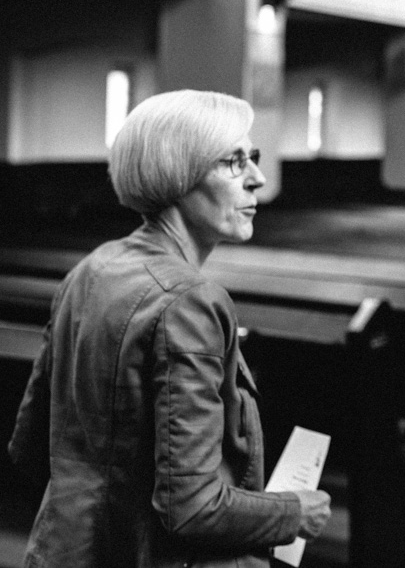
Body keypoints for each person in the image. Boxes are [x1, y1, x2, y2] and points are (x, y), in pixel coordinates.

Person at [8, 90, 331, 567]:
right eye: (233, 161)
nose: (258, 179)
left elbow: (30, 447)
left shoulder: (93, 269)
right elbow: (194, 508)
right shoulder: (190, 301)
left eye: (254, 158)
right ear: (176, 174)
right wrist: (293, 512)